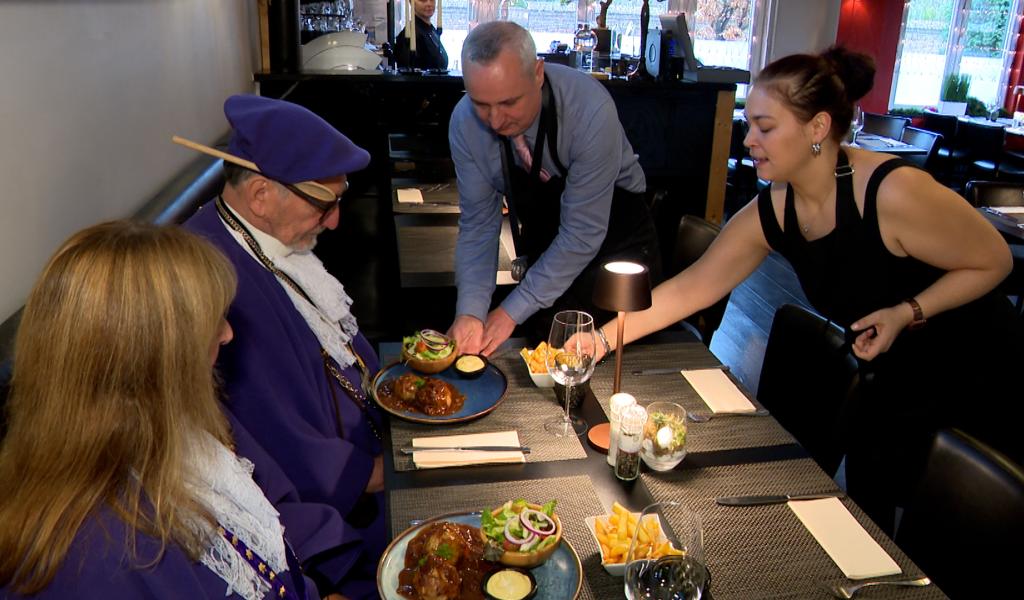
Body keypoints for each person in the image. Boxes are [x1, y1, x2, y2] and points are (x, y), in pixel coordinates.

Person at [594, 47, 1024, 534]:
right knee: (872, 520)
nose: (749, 138)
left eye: (765, 127)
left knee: (959, 535)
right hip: (890, 370)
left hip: (974, 368)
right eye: (750, 125)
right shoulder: (776, 207)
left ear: (818, 128)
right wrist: (602, 340)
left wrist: (908, 311)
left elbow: (996, 259)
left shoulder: (889, 191)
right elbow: (694, 286)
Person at [0, 221, 318, 599]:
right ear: (155, 359)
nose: (227, 333)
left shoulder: (173, 430)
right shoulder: (99, 559)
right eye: (212, 321)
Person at [182, 95, 385, 599]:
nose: (335, 222)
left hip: (366, 448)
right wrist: (397, 469)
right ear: (260, 194)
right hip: (331, 510)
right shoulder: (214, 276)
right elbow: (271, 436)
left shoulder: (266, 237)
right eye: (324, 204)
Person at [448, 21, 660, 356]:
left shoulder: (589, 111)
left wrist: (509, 313)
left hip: (617, 242)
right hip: (549, 239)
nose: (495, 120)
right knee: (542, 348)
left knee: (602, 358)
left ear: (538, 73)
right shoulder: (464, 123)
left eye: (508, 103)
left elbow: (581, 234)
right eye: (481, 104)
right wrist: (470, 312)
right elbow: (478, 224)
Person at [394, 0, 448, 70]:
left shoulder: (431, 30)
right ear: (411, 2)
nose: (429, 4)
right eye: (423, 0)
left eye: (432, 0)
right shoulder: (410, 35)